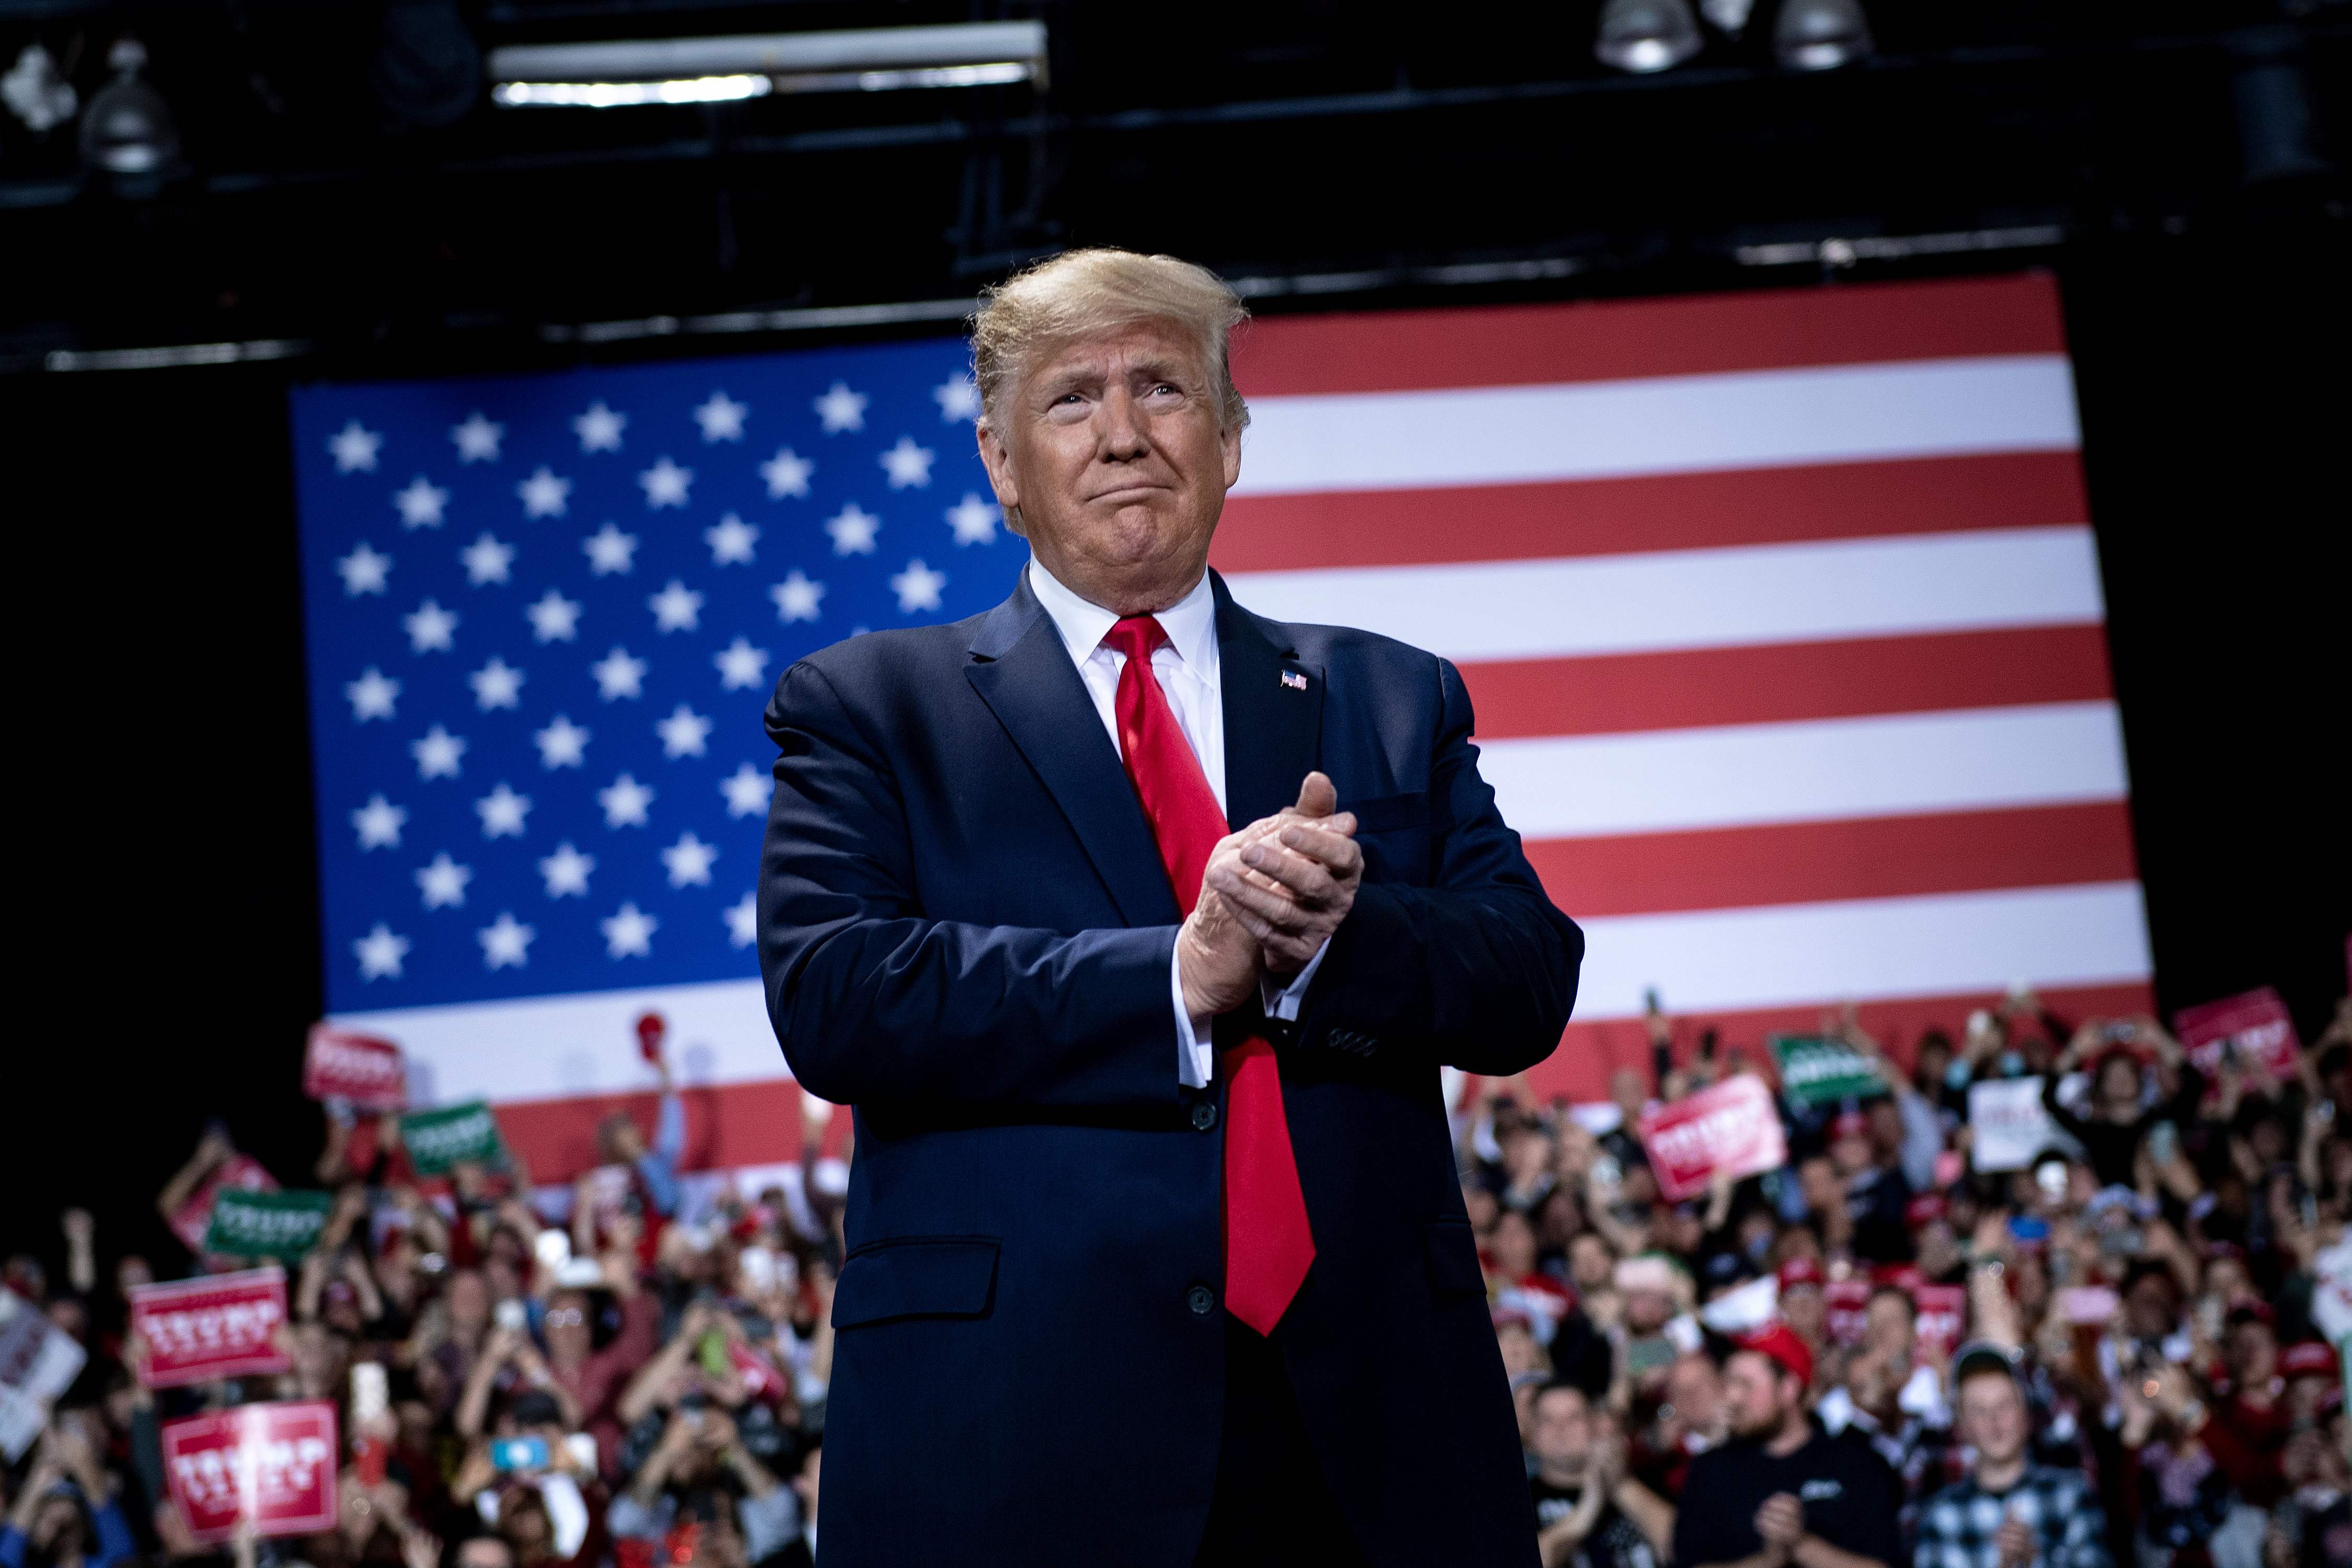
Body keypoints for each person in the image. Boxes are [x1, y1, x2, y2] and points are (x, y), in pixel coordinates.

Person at [755, 246, 1584, 1566]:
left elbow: (1527, 972)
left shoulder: (1389, 695)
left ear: (1230, 438)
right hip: (1015, 1442)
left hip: (1366, 1439)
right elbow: (837, 994)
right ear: (999, 464)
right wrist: (1177, 972)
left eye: (1161, 387)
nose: (1124, 431)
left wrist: (1330, 941)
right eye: (1072, 399)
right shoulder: (870, 706)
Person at [1671, 1326, 1903, 1568]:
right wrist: (1768, 1561)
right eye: (1728, 1383)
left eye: (1746, 1385)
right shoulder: (1710, 1470)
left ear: (1789, 1388)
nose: (1732, 1398)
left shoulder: (1857, 1465)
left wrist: (1801, 1544)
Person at [1912, 1345, 2112, 1568]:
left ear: (2025, 1414)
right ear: (1961, 1428)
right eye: (1979, 1410)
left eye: (2004, 1405)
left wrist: (2036, 1560)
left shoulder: (2072, 1495)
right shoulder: (1940, 1517)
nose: (1994, 1420)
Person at [1526, 1382, 1674, 1568]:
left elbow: (1686, 1548)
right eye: (1548, 1420)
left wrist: (1619, 1483)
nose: (1561, 1429)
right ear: (1532, 1433)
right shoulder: (1521, 1501)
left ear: (1595, 1425)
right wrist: (1590, 1504)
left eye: (1574, 1418)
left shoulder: (1646, 1481)